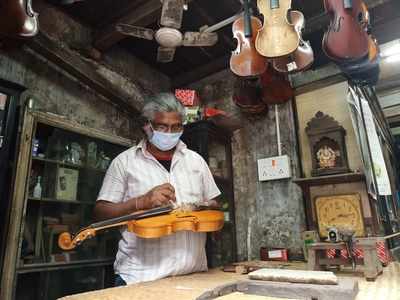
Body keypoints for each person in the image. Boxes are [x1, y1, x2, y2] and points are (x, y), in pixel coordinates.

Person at [94, 93, 221, 286]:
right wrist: (140, 202)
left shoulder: (196, 161)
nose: (170, 132)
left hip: (193, 276)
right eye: (162, 127)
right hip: (140, 279)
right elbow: (100, 213)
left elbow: (216, 206)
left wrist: (209, 206)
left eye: (176, 127)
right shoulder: (124, 163)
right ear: (148, 126)